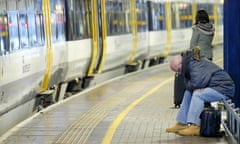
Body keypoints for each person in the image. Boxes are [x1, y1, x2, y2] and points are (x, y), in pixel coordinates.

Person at [166, 48, 235, 136]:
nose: (179, 72)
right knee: (188, 92)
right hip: (215, 86)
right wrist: (192, 86)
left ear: (180, 63)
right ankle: (182, 123)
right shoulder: (189, 64)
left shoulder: (195, 65)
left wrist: (193, 86)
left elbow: (197, 83)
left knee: (198, 95)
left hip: (223, 88)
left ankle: (195, 126)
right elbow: (190, 85)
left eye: (178, 70)